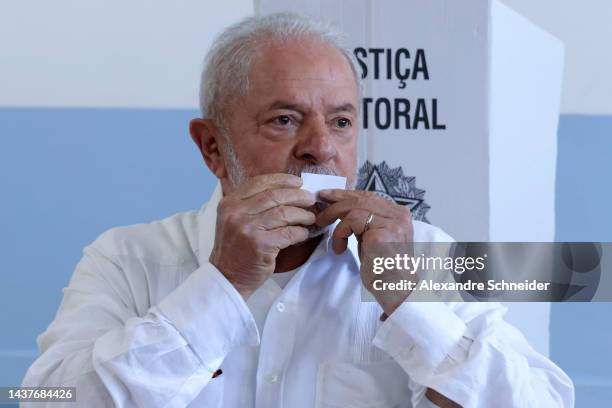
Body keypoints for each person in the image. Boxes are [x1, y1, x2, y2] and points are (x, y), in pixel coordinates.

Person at [23, 12, 574, 408]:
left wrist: (409, 303)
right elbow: (44, 398)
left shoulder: (426, 255)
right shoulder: (127, 259)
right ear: (212, 146)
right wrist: (221, 285)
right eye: (285, 120)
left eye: (340, 121)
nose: (321, 148)